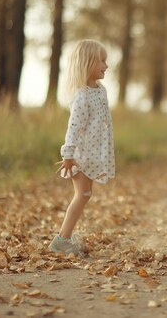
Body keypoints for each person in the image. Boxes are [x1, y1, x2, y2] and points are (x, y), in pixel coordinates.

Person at [50, 40, 115, 255]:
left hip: (93, 153)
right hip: (79, 155)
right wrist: (68, 155)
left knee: (85, 194)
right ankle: (62, 240)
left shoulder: (101, 90)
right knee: (83, 195)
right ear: (87, 63)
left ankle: (66, 237)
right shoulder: (81, 95)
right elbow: (74, 127)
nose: (106, 66)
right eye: (102, 61)